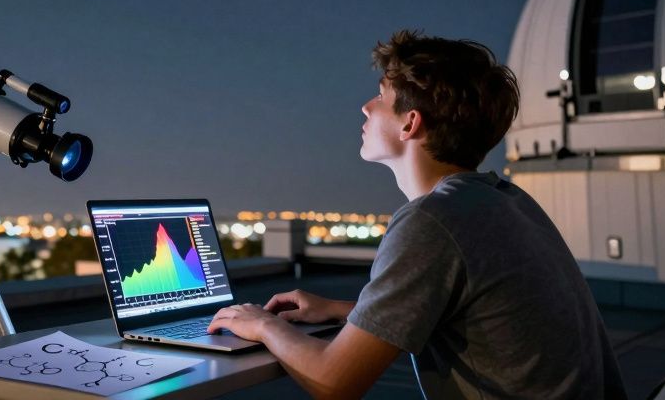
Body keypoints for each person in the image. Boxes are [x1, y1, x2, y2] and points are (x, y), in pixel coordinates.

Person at [207, 30, 626, 399]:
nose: (365, 108)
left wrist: (262, 324)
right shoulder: (505, 201)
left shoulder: (433, 220)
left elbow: (334, 383)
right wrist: (346, 311)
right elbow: (471, 312)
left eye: (381, 96)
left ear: (410, 123)